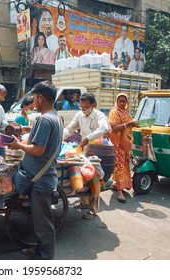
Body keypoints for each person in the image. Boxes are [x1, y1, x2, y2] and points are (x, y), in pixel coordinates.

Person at [7, 81, 62, 260]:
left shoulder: (45, 119)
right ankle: (39, 250)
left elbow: (38, 150)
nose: (33, 102)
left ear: (41, 98)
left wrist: (18, 145)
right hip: (42, 179)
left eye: (35, 98)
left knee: (43, 223)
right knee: (39, 221)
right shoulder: (55, 117)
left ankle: (45, 257)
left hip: (41, 181)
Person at [63, 92, 110, 219]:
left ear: (93, 105)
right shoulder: (80, 114)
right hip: (84, 151)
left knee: (94, 180)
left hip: (96, 150)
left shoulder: (99, 115)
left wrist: (87, 139)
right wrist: (60, 137)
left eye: (86, 107)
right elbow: (70, 129)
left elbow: (105, 128)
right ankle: (84, 203)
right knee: (84, 177)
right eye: (81, 107)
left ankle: (93, 209)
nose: (83, 110)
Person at [108, 93, 138, 203]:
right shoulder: (114, 111)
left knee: (124, 164)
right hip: (117, 143)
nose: (121, 103)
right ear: (117, 101)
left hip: (126, 144)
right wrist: (129, 124)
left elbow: (129, 125)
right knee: (119, 165)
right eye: (120, 101)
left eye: (123, 101)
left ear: (126, 102)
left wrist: (134, 124)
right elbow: (114, 128)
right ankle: (119, 191)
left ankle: (117, 184)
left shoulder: (125, 112)